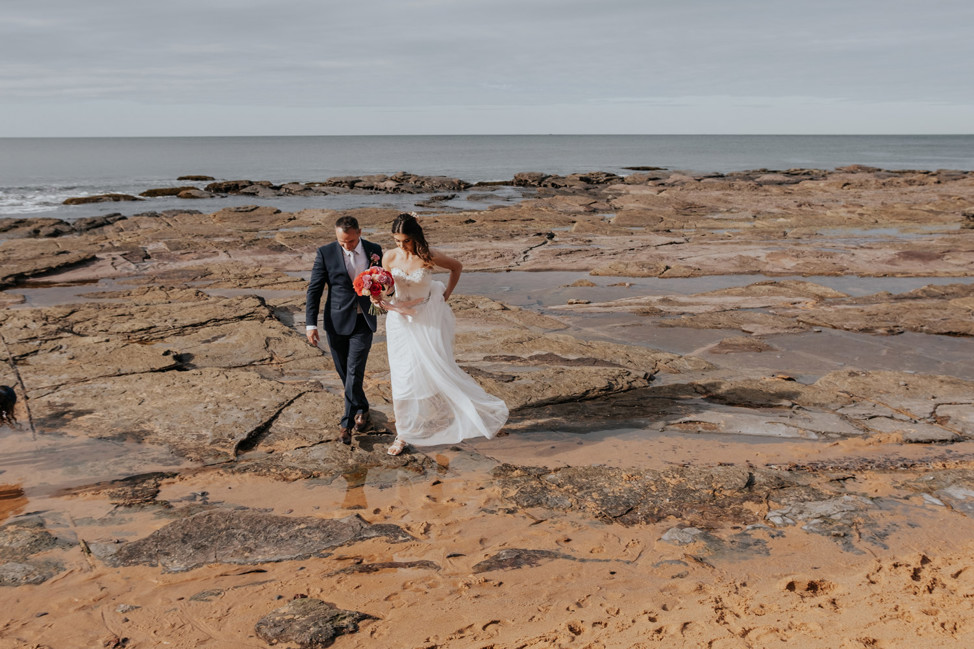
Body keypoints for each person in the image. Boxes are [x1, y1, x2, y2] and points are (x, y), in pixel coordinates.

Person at [377, 213, 508, 456]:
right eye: (396, 240)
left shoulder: (429, 256)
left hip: (426, 318)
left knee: (433, 369)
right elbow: (389, 288)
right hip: (399, 322)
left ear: (415, 237)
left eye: (405, 240)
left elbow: (457, 267)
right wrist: (376, 291)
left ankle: (444, 419)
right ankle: (403, 433)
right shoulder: (389, 256)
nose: (401, 246)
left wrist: (447, 294)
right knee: (403, 376)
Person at [306, 216, 383, 444]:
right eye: (342, 242)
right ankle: (363, 408)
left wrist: (382, 295)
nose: (346, 246)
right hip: (336, 321)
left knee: (353, 371)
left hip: (364, 321)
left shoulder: (374, 250)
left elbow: (382, 281)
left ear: (360, 232)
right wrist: (311, 323)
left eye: (350, 241)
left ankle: (347, 423)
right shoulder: (325, 252)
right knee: (344, 373)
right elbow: (314, 289)